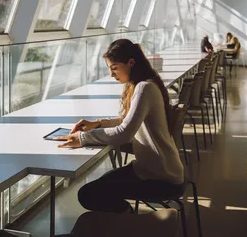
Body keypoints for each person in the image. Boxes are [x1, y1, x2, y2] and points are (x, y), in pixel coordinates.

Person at [58, 39, 184, 214]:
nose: (111, 74)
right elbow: (128, 120)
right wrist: (99, 123)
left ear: (130, 63)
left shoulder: (144, 88)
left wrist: (82, 138)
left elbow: (124, 133)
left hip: (161, 178)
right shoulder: (145, 83)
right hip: (157, 170)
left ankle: (127, 221)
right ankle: (126, 218)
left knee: (88, 194)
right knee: (95, 190)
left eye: (114, 68)